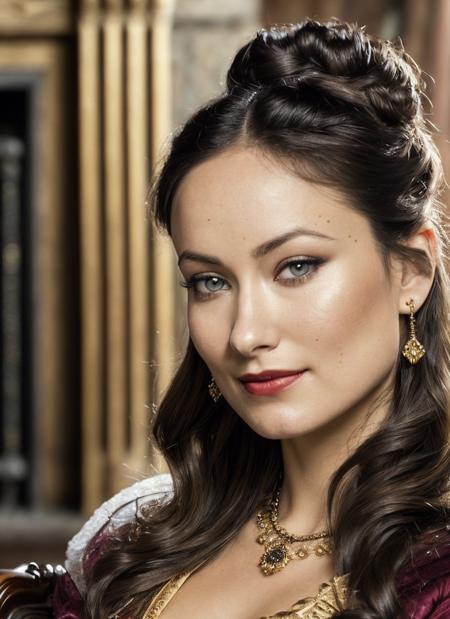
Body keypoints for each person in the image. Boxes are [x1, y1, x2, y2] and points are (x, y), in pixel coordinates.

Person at [54, 17, 450, 619]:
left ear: (412, 272)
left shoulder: (435, 581)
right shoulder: (128, 547)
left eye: (296, 267)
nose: (245, 334)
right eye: (210, 282)